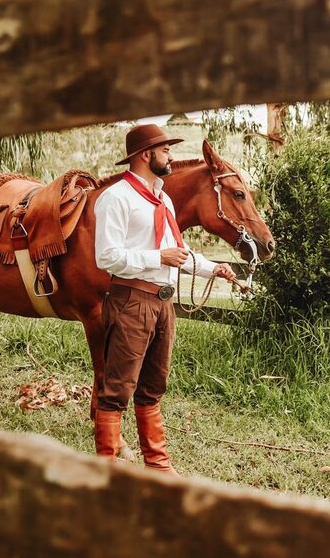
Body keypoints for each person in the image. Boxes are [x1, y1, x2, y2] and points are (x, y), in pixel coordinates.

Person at [93, 123, 236, 474]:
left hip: (162, 304)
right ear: (146, 155)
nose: (171, 155)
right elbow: (105, 256)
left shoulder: (164, 199)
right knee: (117, 388)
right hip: (131, 300)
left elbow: (178, 250)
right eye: (166, 150)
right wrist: (156, 259)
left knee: (154, 385)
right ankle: (107, 470)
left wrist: (211, 268)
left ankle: (157, 465)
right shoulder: (116, 198)